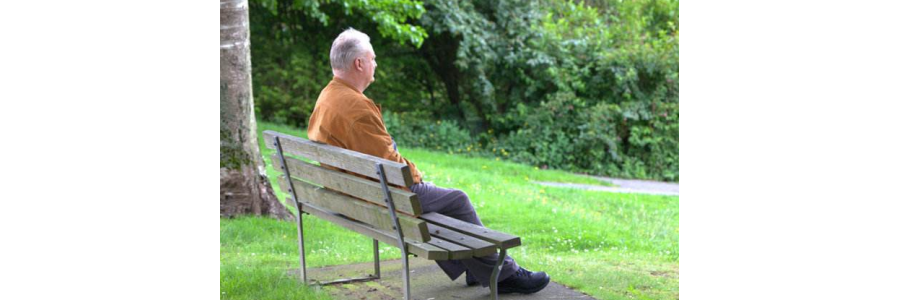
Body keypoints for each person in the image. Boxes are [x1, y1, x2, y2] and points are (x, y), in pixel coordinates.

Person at [307, 28, 550, 294]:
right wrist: (417, 175)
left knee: (441, 202)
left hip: (351, 194)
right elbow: (392, 167)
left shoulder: (328, 96)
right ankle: (505, 276)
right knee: (457, 200)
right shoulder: (356, 106)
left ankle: (476, 268)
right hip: (380, 197)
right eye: (373, 58)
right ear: (359, 63)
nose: (375, 63)